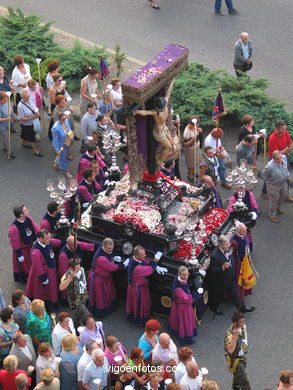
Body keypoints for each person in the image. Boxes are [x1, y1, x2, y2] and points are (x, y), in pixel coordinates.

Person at [207, 235, 255, 317]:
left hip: (230, 277)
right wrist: (222, 267)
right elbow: (213, 271)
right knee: (217, 295)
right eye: (226, 244)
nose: (228, 245)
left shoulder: (228, 249)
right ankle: (214, 308)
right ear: (221, 245)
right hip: (221, 281)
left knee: (235, 294)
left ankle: (242, 308)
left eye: (228, 243)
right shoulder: (215, 255)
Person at [133, 79, 175, 168]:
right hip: (158, 132)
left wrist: (172, 80)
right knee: (169, 147)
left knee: (172, 144)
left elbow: (168, 92)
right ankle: (160, 161)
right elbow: (144, 112)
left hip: (165, 128)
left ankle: (161, 157)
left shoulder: (165, 102)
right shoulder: (155, 112)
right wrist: (137, 111)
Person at [126, 246, 167, 326]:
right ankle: (141, 320)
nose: (145, 256)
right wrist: (156, 259)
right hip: (138, 290)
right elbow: (150, 269)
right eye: (143, 254)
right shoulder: (137, 268)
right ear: (137, 255)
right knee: (141, 305)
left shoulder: (134, 258)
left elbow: (147, 261)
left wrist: (156, 266)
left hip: (136, 287)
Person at [88, 238, 129, 317]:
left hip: (104, 277)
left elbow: (109, 254)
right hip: (99, 280)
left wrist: (113, 256)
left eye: (112, 248)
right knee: (101, 297)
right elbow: (113, 267)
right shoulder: (101, 259)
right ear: (104, 246)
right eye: (109, 249)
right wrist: (124, 264)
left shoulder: (102, 248)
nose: (111, 250)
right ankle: (100, 312)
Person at [26, 230, 61, 312]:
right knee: (44, 292)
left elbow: (57, 242)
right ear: (41, 238)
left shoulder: (47, 242)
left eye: (50, 237)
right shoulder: (35, 252)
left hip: (50, 271)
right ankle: (44, 308)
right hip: (43, 274)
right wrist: (44, 278)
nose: (50, 239)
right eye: (47, 238)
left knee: (51, 289)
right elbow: (38, 267)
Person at [58, 236, 94, 302]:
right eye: (73, 245)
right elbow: (64, 272)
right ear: (68, 244)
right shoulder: (63, 255)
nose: (76, 246)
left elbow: (89, 246)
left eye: (76, 244)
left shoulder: (77, 245)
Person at [9, 204, 40, 282]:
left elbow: (36, 228)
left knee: (31, 263)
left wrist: (41, 236)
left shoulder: (28, 218)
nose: (28, 211)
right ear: (21, 214)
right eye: (25, 210)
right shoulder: (14, 228)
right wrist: (19, 255)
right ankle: (24, 279)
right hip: (22, 250)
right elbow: (14, 243)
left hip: (30, 246)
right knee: (24, 266)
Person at [168, 266, 197, 345]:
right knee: (184, 322)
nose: (186, 277)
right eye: (183, 275)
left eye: (187, 274)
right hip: (183, 307)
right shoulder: (178, 289)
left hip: (180, 305)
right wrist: (196, 294)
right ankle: (185, 337)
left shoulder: (179, 280)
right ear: (179, 274)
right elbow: (188, 299)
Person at [59, 257, 90, 327]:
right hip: (75, 301)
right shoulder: (66, 275)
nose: (78, 269)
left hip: (83, 296)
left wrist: (86, 292)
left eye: (79, 267)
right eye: (76, 268)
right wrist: (70, 277)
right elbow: (61, 288)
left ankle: (75, 328)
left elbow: (84, 282)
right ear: (70, 268)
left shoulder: (81, 270)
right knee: (87, 315)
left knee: (78, 316)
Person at [224, 311, 251, 390]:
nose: (244, 323)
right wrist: (235, 336)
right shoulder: (230, 334)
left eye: (244, 321)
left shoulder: (243, 327)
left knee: (238, 377)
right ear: (235, 323)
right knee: (245, 383)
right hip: (236, 360)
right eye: (241, 322)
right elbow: (230, 350)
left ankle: (235, 388)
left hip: (242, 356)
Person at [261, 151, 290, 223]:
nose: (280, 160)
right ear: (273, 159)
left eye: (280, 158)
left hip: (283, 183)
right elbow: (263, 175)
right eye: (277, 159)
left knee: (284, 196)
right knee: (274, 201)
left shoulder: (284, 158)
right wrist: (271, 182)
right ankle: (272, 215)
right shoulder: (269, 167)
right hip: (273, 186)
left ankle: (278, 207)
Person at [230, 223, 254, 302]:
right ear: (239, 231)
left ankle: (246, 290)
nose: (246, 232)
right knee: (241, 279)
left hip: (246, 260)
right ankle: (239, 296)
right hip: (240, 263)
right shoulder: (234, 241)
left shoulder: (244, 235)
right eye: (244, 230)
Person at [17, 89, 43, 156]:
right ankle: (35, 150)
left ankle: (23, 143)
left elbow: (34, 108)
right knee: (31, 137)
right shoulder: (20, 106)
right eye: (27, 97)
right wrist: (33, 116)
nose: (29, 98)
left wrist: (37, 111)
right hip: (26, 124)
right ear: (22, 97)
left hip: (33, 122)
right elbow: (22, 118)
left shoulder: (30, 99)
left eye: (29, 96)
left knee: (25, 134)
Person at [52, 112, 74, 178]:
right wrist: (57, 150)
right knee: (63, 158)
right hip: (61, 145)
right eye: (62, 119)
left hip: (67, 142)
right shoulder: (55, 128)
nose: (64, 120)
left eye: (65, 118)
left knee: (63, 156)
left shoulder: (66, 121)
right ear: (58, 119)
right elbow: (55, 141)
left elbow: (69, 130)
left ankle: (57, 164)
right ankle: (67, 171)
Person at [182, 116, 203, 182]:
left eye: (196, 125)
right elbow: (185, 144)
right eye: (194, 125)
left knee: (195, 162)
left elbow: (199, 135)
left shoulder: (195, 127)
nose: (195, 126)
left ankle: (193, 172)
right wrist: (192, 140)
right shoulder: (186, 132)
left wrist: (200, 132)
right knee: (191, 164)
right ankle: (190, 175)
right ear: (190, 124)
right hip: (190, 149)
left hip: (196, 148)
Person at [0, 91, 15, 158]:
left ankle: (4, 147)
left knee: (8, 137)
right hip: (3, 125)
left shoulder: (6, 103)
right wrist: (6, 119)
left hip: (10, 123)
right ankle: (9, 152)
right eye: (4, 99)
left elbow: (11, 110)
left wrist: (13, 117)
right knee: (8, 138)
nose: (6, 100)